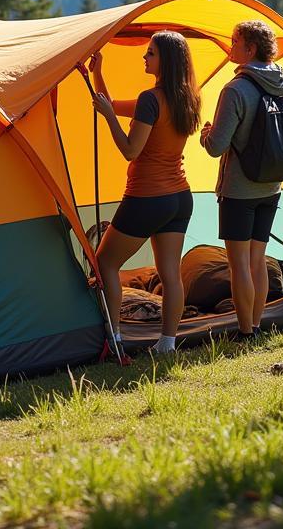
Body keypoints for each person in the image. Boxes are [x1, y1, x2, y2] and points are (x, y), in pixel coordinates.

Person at [90, 31, 201, 355]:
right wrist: (98, 73)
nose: (144, 57)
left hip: (146, 197)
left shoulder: (151, 99)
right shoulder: (186, 98)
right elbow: (108, 103)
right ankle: (167, 343)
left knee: (105, 264)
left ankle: (115, 341)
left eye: (150, 53)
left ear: (164, 61)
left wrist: (110, 118)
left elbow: (129, 150)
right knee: (170, 274)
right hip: (179, 198)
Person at [199, 20, 283, 341]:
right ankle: (257, 323)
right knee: (256, 260)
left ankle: (245, 330)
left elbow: (216, 147)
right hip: (272, 185)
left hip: (239, 188)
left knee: (239, 264)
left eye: (235, 41)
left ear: (250, 49)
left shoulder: (236, 89)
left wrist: (206, 133)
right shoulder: (282, 83)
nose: (230, 46)